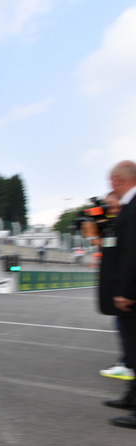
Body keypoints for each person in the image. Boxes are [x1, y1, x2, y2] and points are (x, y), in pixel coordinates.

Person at [100, 161, 136, 428]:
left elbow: (132, 253)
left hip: (131, 292)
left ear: (117, 180)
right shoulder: (127, 209)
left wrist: (125, 291)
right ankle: (132, 398)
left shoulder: (133, 208)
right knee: (132, 350)